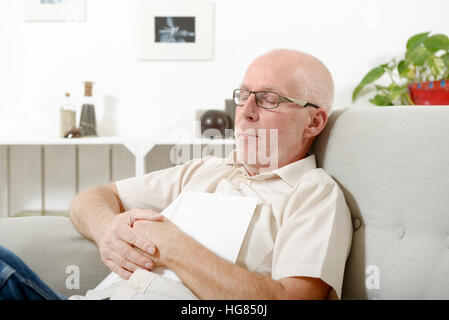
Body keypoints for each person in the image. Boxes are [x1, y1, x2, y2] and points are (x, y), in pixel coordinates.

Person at [0, 49, 353, 300]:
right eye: (243, 96)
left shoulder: (313, 194)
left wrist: (171, 244)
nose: (244, 112)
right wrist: (106, 227)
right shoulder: (208, 170)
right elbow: (92, 197)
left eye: (269, 99)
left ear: (314, 121)